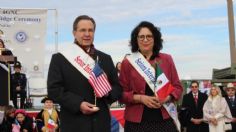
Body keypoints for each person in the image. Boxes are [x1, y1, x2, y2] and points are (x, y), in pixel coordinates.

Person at [47, 15, 122, 132]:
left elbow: (117, 88)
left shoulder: (106, 58)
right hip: (74, 124)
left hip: (101, 124)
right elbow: (54, 90)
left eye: (90, 30)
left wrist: (106, 91)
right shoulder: (59, 58)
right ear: (74, 33)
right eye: (82, 30)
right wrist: (78, 104)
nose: (87, 34)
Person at [119, 21, 183, 132]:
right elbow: (121, 94)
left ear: (155, 39)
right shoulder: (127, 63)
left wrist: (166, 98)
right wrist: (141, 98)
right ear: (136, 40)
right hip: (136, 124)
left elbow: (178, 88)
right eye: (141, 37)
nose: (145, 40)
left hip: (165, 121)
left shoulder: (167, 59)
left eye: (149, 36)